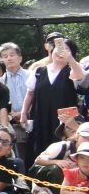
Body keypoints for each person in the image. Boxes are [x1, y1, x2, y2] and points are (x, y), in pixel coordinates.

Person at [23, 33, 87, 169]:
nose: (60, 52)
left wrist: (70, 59)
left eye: (66, 49)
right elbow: (29, 94)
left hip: (65, 121)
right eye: (58, 49)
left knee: (62, 148)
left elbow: (82, 78)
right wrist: (24, 113)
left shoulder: (72, 70)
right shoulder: (39, 71)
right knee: (38, 145)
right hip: (40, 116)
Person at [29, 118, 89, 192]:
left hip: (70, 182)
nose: (87, 141)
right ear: (77, 136)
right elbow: (38, 160)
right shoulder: (62, 146)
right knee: (57, 169)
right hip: (39, 175)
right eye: (85, 138)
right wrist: (57, 162)